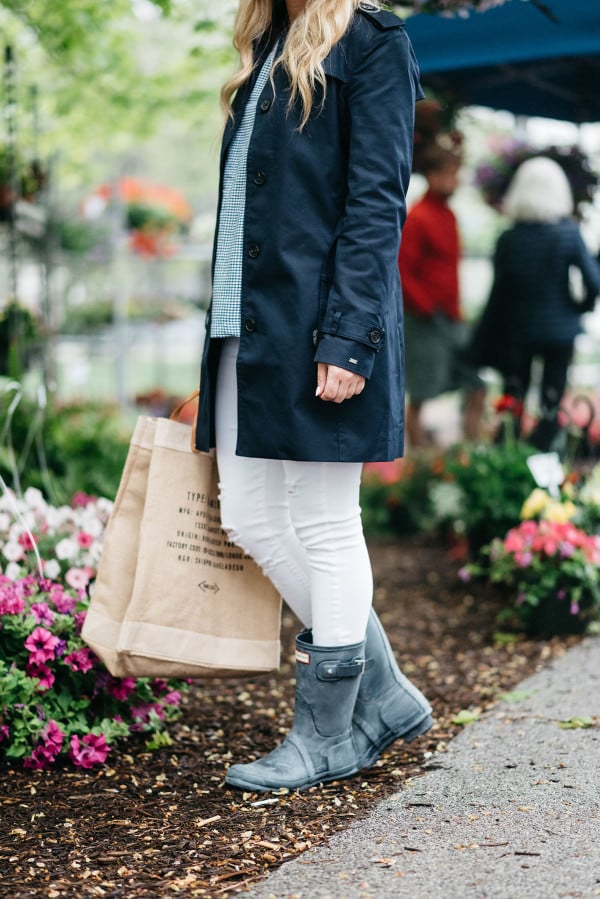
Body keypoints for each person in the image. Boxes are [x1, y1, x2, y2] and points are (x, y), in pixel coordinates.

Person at [194, 0, 432, 792]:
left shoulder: (373, 41)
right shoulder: (267, 42)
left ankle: (328, 735)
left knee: (326, 521)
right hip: (246, 325)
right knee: (249, 515)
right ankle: (384, 693)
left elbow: (376, 201)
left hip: (320, 325)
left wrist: (349, 335)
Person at [467, 156, 600, 451]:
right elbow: (594, 283)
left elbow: (499, 291)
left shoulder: (508, 238)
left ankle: (508, 457)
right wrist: (579, 307)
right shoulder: (568, 233)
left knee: (513, 400)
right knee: (552, 403)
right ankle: (541, 458)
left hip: (518, 331)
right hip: (560, 332)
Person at [398, 143, 486, 448]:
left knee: (476, 383)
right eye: (447, 174)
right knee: (421, 392)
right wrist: (425, 307)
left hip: (452, 318)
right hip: (425, 321)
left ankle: (471, 456)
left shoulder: (448, 215)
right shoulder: (418, 217)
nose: (453, 181)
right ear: (431, 176)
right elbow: (401, 271)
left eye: (455, 174)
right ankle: (421, 467)